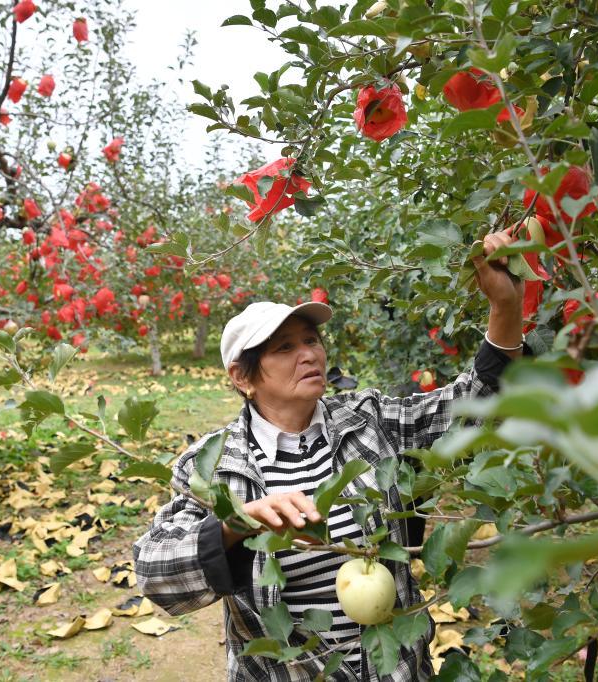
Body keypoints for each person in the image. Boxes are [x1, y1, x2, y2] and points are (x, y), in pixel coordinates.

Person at [133, 231, 526, 681]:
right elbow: (157, 576)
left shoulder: (367, 420)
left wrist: (505, 308)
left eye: (311, 340)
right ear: (243, 377)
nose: (309, 355)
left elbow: (471, 406)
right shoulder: (214, 466)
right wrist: (237, 524)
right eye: (284, 348)